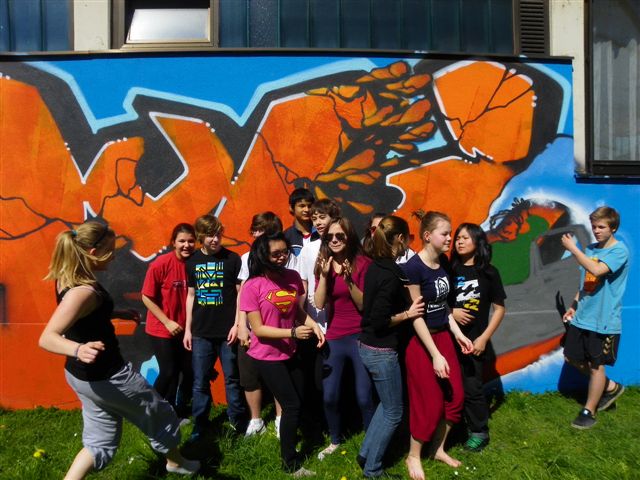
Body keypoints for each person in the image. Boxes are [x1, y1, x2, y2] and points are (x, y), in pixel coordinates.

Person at [39, 221, 199, 479]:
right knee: (161, 413)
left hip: (82, 377)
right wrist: (78, 349)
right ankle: (175, 462)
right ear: (93, 253)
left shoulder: (66, 278)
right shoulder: (82, 292)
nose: (114, 256)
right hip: (109, 376)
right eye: (110, 251)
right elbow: (47, 338)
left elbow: (82, 317)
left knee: (99, 443)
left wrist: (114, 312)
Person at [239, 232, 325, 476]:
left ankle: (295, 444)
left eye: (285, 252)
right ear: (262, 255)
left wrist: (314, 325)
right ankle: (290, 463)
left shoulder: (293, 277)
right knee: (292, 405)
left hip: (290, 350)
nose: (282, 257)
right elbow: (258, 329)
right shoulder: (252, 286)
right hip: (266, 355)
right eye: (275, 253)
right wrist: (293, 332)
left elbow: (296, 311)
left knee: (297, 400)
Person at [403, 211, 473, 480]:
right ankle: (413, 455)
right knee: (429, 404)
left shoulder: (442, 262)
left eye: (450, 233)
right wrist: (434, 354)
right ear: (427, 235)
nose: (450, 238)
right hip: (423, 344)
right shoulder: (413, 268)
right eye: (445, 233)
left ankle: (438, 449)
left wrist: (458, 334)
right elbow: (417, 316)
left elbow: (443, 307)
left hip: (444, 337)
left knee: (455, 398)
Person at [358, 215, 425, 479]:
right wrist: (408, 314)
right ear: (399, 238)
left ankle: (365, 454)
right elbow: (379, 320)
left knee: (385, 406)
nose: (408, 243)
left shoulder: (377, 266)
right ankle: (373, 470)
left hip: (368, 346)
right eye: (407, 238)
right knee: (394, 412)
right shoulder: (390, 274)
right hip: (381, 351)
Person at [561, 206, 629, 429]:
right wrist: (574, 305)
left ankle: (589, 411)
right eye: (594, 227)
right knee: (571, 357)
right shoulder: (590, 249)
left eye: (601, 227)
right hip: (583, 316)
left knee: (596, 366)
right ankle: (610, 387)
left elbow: (598, 270)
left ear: (613, 228)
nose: (596, 231)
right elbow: (587, 282)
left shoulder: (619, 251)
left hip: (603, 320)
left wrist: (573, 249)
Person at [314, 217, 373, 460]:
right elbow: (319, 303)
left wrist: (348, 280)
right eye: (329, 237)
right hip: (335, 336)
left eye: (340, 236)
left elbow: (364, 304)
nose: (334, 240)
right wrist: (324, 276)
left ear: (349, 236)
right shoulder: (324, 264)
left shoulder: (363, 263)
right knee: (329, 395)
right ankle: (335, 440)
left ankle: (372, 441)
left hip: (359, 334)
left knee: (364, 396)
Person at [184, 215, 246, 440]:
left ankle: (237, 423)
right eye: (210, 235)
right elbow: (191, 295)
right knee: (200, 381)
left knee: (232, 379)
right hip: (201, 332)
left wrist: (237, 324)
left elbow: (240, 295)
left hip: (227, 331)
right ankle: (199, 425)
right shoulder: (192, 261)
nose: (215, 239)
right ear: (201, 236)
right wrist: (188, 329)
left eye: (218, 234)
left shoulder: (232, 259)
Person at [450, 223, 506, 451]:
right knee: (450, 385)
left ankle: (479, 431)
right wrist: (452, 312)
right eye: (457, 238)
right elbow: (438, 301)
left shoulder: (489, 272)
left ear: (477, 241)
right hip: (449, 338)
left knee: (472, 387)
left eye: (465, 238)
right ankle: (453, 426)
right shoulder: (449, 270)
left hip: (475, 341)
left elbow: (499, 309)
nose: (459, 242)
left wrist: (483, 338)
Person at [237, 212, 288, 437]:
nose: (259, 235)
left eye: (265, 231)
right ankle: (256, 420)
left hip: (278, 327)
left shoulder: (283, 257)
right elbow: (242, 294)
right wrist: (240, 325)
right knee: (249, 376)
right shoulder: (246, 258)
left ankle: (280, 419)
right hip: (252, 327)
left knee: (280, 377)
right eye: (256, 230)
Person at [141, 223, 196, 419]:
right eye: (182, 241)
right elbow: (146, 297)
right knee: (168, 371)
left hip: (185, 329)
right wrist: (167, 322)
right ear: (173, 242)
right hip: (162, 328)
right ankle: (150, 411)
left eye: (191, 241)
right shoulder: (161, 264)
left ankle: (172, 411)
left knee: (186, 371)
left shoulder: (196, 264)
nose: (186, 245)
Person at [283, 187, 319, 257]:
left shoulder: (320, 232)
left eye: (309, 206)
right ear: (291, 208)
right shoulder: (286, 237)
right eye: (302, 206)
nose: (306, 210)